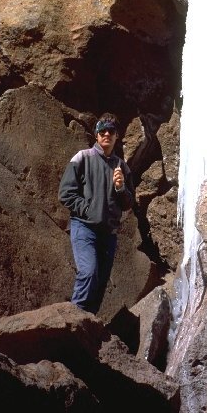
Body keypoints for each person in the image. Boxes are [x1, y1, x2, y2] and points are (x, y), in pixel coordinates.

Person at [58, 112, 135, 314]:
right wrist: (89, 209)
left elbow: (128, 203)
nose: (106, 134)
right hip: (84, 228)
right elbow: (65, 193)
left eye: (111, 131)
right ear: (96, 134)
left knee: (100, 283)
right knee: (89, 272)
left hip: (108, 234)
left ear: (117, 136)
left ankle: (88, 324)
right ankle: (73, 321)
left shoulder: (122, 167)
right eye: (102, 130)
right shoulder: (82, 158)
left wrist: (120, 188)